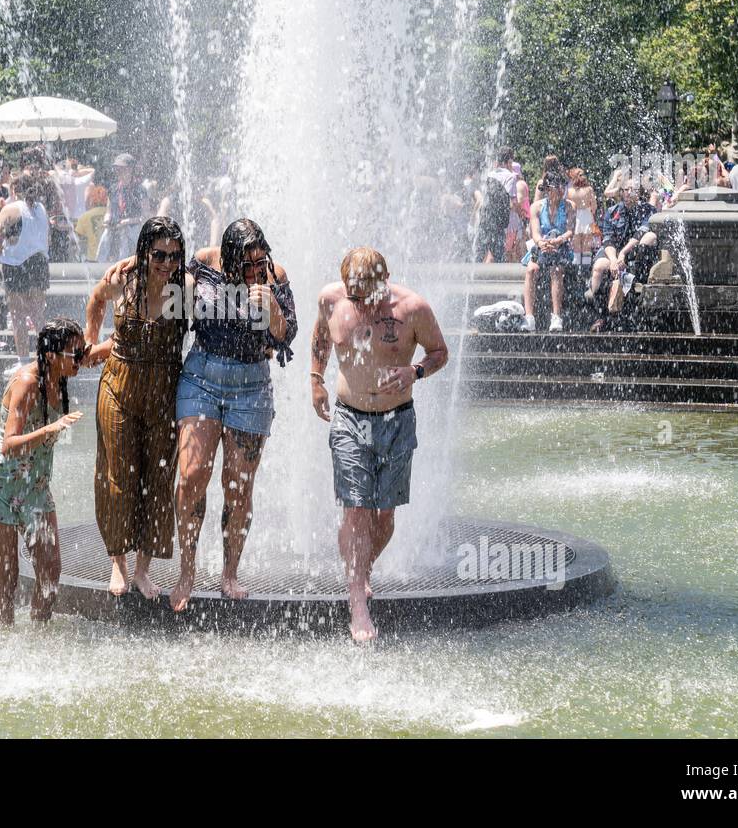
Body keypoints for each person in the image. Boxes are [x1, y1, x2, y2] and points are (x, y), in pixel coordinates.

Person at [309, 247, 447, 642]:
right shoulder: (331, 299)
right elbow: (320, 338)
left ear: (384, 280)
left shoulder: (413, 308)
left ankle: (360, 571)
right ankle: (358, 603)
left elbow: (440, 353)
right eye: (354, 293)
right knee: (356, 509)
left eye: (366, 293)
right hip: (349, 417)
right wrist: (316, 379)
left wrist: (414, 371)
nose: (360, 301)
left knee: (383, 517)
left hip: (396, 421)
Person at [169, 219, 297, 612]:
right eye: (247, 263)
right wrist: (177, 286)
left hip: (250, 386)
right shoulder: (203, 264)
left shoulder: (274, 278)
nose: (255, 269)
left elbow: (287, 335)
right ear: (227, 258)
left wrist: (273, 309)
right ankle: (187, 571)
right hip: (202, 378)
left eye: (260, 260)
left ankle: (229, 573)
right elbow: (171, 303)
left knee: (238, 487)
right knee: (191, 476)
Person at [84, 217, 187, 598]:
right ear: (144, 252)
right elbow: (95, 298)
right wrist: (90, 339)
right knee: (117, 475)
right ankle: (118, 563)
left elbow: (215, 260)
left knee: (159, 478)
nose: (166, 262)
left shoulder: (185, 289)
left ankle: (143, 569)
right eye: (158, 254)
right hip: (118, 385)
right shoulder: (122, 281)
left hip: (164, 392)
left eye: (174, 255)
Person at [0, 317, 85, 627]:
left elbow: (95, 356)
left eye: (82, 351)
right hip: (1, 489)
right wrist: (51, 427)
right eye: (75, 353)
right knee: (7, 577)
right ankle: (3, 649)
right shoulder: (26, 382)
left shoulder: (62, 371)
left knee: (50, 571)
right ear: (51, 355)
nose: (81, 359)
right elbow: (9, 444)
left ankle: (38, 637)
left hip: (36, 489)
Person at [587, 175, 657, 331]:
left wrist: (623, 255)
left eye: (633, 190)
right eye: (626, 189)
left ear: (639, 193)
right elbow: (607, 239)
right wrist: (613, 259)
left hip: (633, 254)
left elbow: (640, 234)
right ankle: (600, 315)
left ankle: (635, 312)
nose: (629, 193)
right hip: (614, 253)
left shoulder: (648, 210)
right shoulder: (612, 212)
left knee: (649, 238)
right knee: (599, 266)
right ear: (621, 192)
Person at [0, 171, 51, 361]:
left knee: (18, 316)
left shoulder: (10, 209)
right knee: (38, 315)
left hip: (16, 264)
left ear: (13, 189)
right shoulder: (41, 209)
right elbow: (47, 239)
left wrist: (2, 246)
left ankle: (23, 362)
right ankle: (46, 358)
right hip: (40, 263)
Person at [520, 174, 576, 332]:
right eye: (555, 187)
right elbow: (535, 232)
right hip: (542, 247)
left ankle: (556, 316)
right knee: (531, 269)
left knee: (556, 269)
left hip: (561, 247)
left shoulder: (570, 206)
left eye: (561, 187)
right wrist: (541, 243)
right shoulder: (536, 207)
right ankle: (529, 317)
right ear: (547, 189)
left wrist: (558, 241)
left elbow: (570, 231)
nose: (559, 190)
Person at [98, 153, 151, 263]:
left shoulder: (140, 190)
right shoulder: (113, 189)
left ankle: (132, 263)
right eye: (116, 169)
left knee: (127, 234)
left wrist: (129, 221)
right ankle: (100, 265)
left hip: (134, 226)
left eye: (122, 169)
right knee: (105, 237)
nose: (118, 172)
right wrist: (107, 220)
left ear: (131, 169)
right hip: (116, 225)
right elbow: (108, 211)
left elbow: (146, 215)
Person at [473, 147, 516, 262]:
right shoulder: (510, 176)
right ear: (509, 161)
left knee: (479, 253)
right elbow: (510, 202)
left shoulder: (490, 174)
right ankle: (499, 279)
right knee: (498, 256)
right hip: (498, 221)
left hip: (485, 218)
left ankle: (471, 278)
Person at [74, 184, 108, 260]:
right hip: (108, 259)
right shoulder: (110, 215)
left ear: (91, 199)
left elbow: (77, 239)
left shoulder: (85, 216)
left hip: (92, 258)